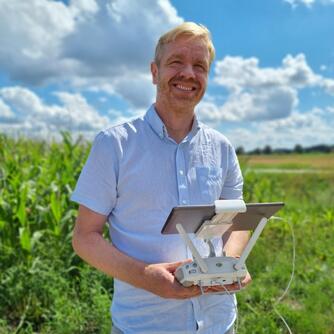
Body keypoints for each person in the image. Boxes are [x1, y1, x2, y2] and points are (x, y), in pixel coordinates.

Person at [71, 22, 251, 334]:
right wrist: (146, 277)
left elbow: (234, 223)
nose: (188, 74)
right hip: (143, 324)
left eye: (199, 66)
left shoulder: (221, 149)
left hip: (219, 323)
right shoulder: (114, 145)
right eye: (176, 62)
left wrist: (228, 267)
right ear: (155, 72)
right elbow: (85, 237)